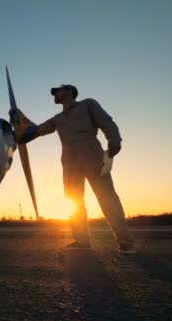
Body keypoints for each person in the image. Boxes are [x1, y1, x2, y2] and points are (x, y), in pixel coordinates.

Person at [10, 84, 136, 254]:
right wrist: (19, 116)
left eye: (58, 90)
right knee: (73, 200)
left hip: (92, 153)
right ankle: (82, 240)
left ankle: (125, 242)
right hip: (69, 160)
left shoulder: (88, 104)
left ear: (70, 91)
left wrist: (114, 139)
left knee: (107, 197)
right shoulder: (58, 118)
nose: (55, 94)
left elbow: (106, 122)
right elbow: (37, 130)